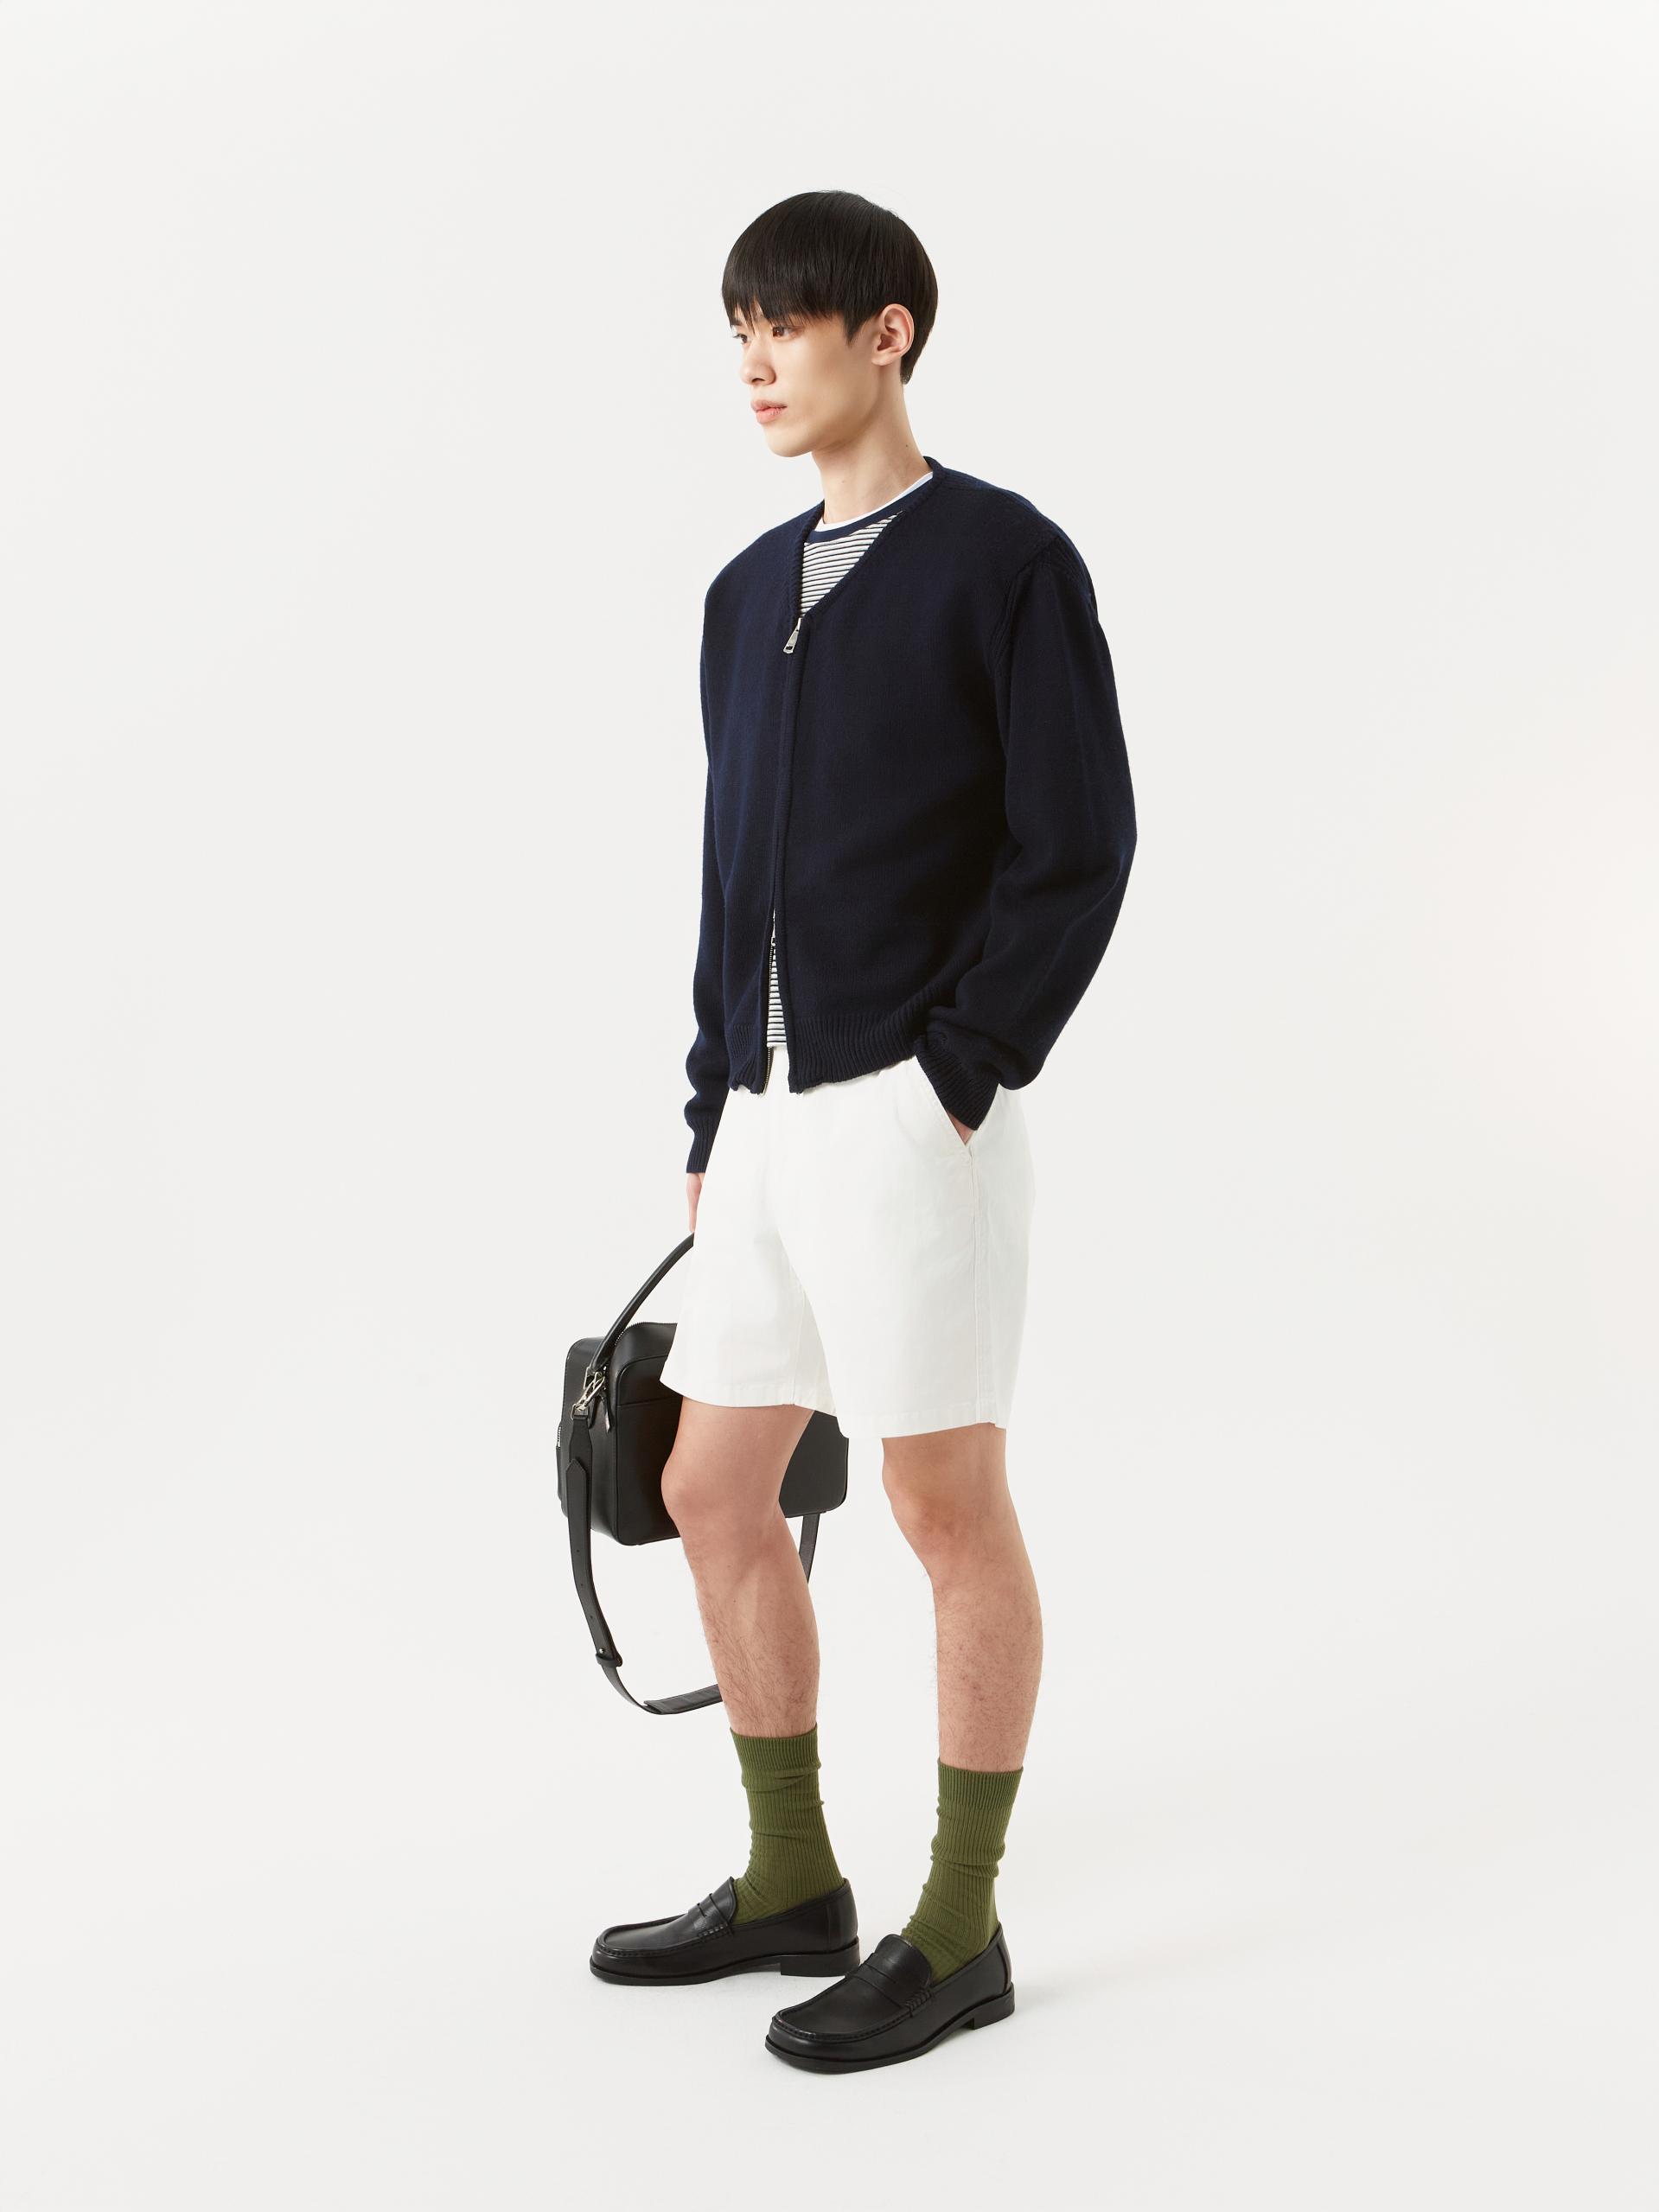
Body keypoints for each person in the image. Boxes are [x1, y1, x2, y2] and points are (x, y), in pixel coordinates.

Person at [589, 190, 1138, 2072]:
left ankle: (961, 1926)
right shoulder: (744, 595)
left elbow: (1080, 843)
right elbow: (725, 876)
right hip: (760, 1119)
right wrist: (709, 1103)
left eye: (788, 326)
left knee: (937, 1503)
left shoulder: (1004, 561)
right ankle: (790, 1879)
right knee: (708, 1485)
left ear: (885, 334)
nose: (755, 362)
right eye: (737, 331)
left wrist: (958, 1071)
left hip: (913, 1118)